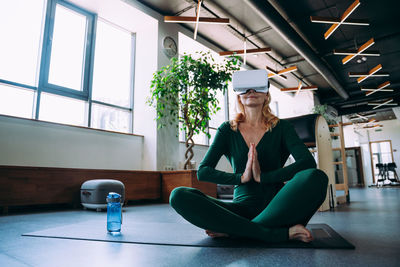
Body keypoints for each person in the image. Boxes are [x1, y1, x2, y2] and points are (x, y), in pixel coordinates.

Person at [169, 69, 328, 243]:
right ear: (239, 96)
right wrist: (242, 177)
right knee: (178, 195)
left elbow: (307, 163)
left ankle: (237, 230)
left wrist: (263, 177)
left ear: (266, 94)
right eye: (245, 89)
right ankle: (273, 233)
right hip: (240, 209)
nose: (251, 92)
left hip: (280, 206)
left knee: (317, 177)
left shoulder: (282, 127)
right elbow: (203, 171)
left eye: (257, 87)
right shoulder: (227, 130)